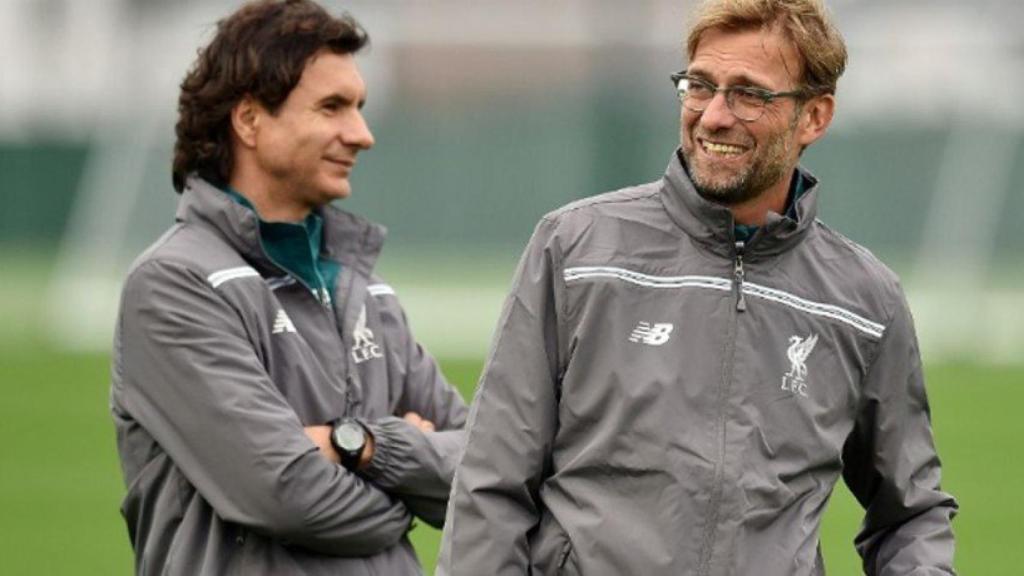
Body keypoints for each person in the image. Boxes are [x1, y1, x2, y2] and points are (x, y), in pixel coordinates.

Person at [439, 0, 957, 574]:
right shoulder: (575, 250)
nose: (713, 116)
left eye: (748, 94)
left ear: (813, 116)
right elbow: (490, 483)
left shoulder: (865, 302)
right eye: (700, 86)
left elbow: (911, 515)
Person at [110, 1, 467, 574]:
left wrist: (363, 445)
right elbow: (288, 495)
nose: (362, 135)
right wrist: (407, 489)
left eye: (359, 108)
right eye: (332, 107)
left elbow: (482, 473)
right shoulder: (174, 284)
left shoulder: (365, 290)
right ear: (249, 120)